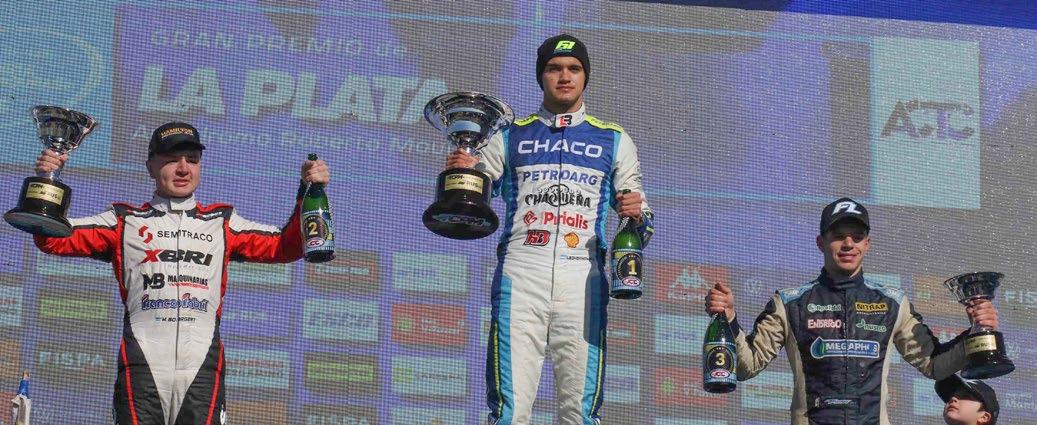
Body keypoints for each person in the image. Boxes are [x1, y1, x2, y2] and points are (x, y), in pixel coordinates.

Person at [30, 122, 329, 425]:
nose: (184, 168)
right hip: (142, 370)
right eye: (172, 159)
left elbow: (286, 246)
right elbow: (52, 238)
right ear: (150, 166)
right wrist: (48, 178)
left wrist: (308, 190)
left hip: (202, 373)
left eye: (193, 160)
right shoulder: (124, 221)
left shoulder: (222, 223)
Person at [445, 34, 654, 424]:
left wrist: (637, 215)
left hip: (583, 280)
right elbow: (470, 202)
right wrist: (463, 174)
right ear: (541, 76)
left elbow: (642, 223)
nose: (565, 77)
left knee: (580, 413)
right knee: (509, 411)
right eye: (554, 69)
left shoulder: (613, 138)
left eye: (574, 69)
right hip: (521, 275)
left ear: (586, 77)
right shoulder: (509, 135)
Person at [704, 197, 999, 425]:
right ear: (820, 242)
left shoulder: (892, 303)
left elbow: (934, 365)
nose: (848, 244)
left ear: (867, 244)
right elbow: (746, 366)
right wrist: (729, 319)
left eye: (857, 236)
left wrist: (977, 334)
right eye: (839, 235)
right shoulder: (789, 303)